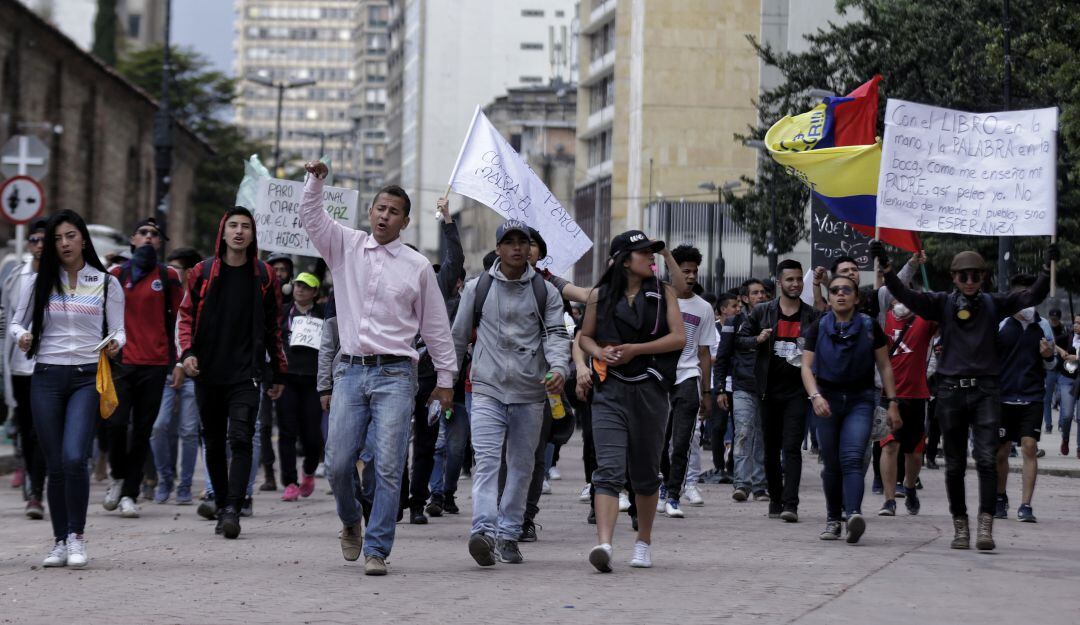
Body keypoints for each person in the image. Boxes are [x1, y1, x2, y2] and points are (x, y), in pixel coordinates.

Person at [300, 161, 456, 576]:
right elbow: (311, 217)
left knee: (388, 466)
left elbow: (436, 327)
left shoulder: (417, 266)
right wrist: (316, 180)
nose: (385, 216)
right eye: (380, 209)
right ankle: (351, 518)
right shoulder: (344, 246)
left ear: (405, 222)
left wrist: (445, 379)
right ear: (370, 212)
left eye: (394, 212)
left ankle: (377, 548)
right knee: (338, 462)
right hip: (350, 371)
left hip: (396, 376)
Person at [874, 240, 1057, 550]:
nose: (969, 281)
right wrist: (887, 267)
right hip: (950, 391)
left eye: (975, 275)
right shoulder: (942, 303)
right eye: (963, 276)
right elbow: (905, 295)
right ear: (954, 277)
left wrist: (1045, 268)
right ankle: (960, 525)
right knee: (955, 464)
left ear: (983, 277)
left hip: (986, 390)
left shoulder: (994, 303)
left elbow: (1031, 296)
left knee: (985, 459)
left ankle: (985, 523)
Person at [11, 210, 125, 568]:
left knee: (75, 457)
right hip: (46, 376)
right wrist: (23, 336)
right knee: (55, 463)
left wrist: (116, 343)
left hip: (86, 378)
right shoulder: (38, 283)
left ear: (83, 240)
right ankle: (60, 541)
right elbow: (15, 323)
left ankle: (77, 537)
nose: (64, 243)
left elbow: (119, 329)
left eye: (70, 236)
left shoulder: (106, 282)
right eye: (57, 238)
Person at [452, 220, 569, 566]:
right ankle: (483, 532)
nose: (517, 248)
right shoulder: (478, 288)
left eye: (523, 242)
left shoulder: (546, 292)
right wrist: (446, 383)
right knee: (487, 463)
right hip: (486, 388)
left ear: (531, 248)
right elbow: (458, 337)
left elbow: (556, 335)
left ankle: (508, 535)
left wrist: (559, 368)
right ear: (499, 248)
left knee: (521, 466)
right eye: (510, 242)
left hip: (531, 392)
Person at [578, 230, 685, 572]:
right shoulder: (599, 296)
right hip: (609, 391)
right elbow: (584, 337)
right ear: (625, 260)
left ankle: (643, 543)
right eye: (643, 253)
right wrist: (599, 353)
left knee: (645, 473)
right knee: (608, 470)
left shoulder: (663, 293)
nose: (650, 257)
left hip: (650, 391)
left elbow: (679, 338)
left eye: (652, 253)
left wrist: (636, 350)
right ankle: (604, 545)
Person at [177, 207, 287, 539]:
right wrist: (187, 354)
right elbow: (185, 317)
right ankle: (223, 502)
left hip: (246, 373)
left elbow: (274, 328)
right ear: (223, 232)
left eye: (246, 227)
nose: (239, 232)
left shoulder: (265, 276)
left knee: (240, 439)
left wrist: (278, 371)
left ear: (253, 235)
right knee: (212, 442)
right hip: (208, 372)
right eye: (233, 226)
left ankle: (232, 510)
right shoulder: (202, 272)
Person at [801, 275, 900, 543]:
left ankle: (853, 515)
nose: (840, 294)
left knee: (853, 457)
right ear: (829, 297)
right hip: (827, 400)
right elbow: (806, 367)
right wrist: (815, 396)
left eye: (847, 290)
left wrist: (893, 402)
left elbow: (885, 366)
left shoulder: (869, 325)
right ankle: (833, 519)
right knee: (831, 463)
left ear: (856, 297)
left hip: (860, 400)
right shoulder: (819, 326)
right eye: (835, 290)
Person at [101, 217, 183, 517]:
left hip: (155, 364)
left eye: (154, 234)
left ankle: (129, 493)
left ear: (160, 243)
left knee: (142, 430)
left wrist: (178, 360)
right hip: (121, 362)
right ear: (133, 240)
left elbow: (180, 320)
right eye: (143, 232)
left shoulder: (168, 275)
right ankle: (117, 476)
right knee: (116, 424)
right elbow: (100, 315)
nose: (149, 237)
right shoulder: (116, 274)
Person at [737, 260, 820, 522]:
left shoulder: (811, 315)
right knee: (771, 449)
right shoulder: (762, 311)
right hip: (768, 391)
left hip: (798, 392)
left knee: (792, 447)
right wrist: (757, 339)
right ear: (779, 282)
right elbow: (739, 340)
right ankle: (775, 498)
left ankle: (790, 504)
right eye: (789, 280)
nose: (795, 284)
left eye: (798, 279)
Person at [404, 197, 463, 524]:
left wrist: (448, 222)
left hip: (429, 381)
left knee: (426, 445)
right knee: (394, 444)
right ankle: (396, 498)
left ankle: (417, 503)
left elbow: (455, 260)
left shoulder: (435, 289)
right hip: (396, 375)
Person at [658, 245, 717, 518]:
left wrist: (707, 391)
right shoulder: (659, 300)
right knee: (659, 442)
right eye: (685, 271)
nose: (691, 276)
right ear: (673, 271)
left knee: (682, 442)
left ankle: (673, 495)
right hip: (660, 378)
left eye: (694, 271)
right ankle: (661, 486)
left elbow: (704, 352)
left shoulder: (704, 308)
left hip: (688, 376)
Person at [995, 275, 1056, 523]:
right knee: (1001, 451)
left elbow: (1051, 364)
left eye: (1030, 297)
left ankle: (1026, 505)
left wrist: (1048, 356)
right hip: (1003, 396)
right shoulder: (1001, 324)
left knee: (1029, 446)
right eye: (1021, 297)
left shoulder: (1043, 326)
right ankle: (1000, 497)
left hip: (1032, 396)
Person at [149, 247, 203, 505]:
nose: (169, 273)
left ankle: (185, 486)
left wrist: (184, 363)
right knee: (158, 426)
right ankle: (165, 479)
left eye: (176, 269)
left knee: (189, 431)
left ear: (190, 271)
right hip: (165, 371)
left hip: (193, 372)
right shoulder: (162, 297)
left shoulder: (201, 297)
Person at [2, 220, 47, 519]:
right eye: (34, 240)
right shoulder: (15, 278)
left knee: (41, 431)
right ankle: (33, 482)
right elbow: (5, 319)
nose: (39, 245)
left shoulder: (61, 276)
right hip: (18, 368)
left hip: (49, 365)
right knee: (26, 429)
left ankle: (37, 490)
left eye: (44, 240)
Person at [877, 295, 936, 517]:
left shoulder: (925, 320)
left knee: (914, 453)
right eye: (895, 298)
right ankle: (889, 499)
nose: (900, 303)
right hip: (888, 394)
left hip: (917, 396)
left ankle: (910, 487)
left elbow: (943, 315)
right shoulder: (882, 320)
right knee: (889, 446)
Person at [714, 279, 770, 502]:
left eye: (763, 292)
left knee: (762, 436)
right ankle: (742, 484)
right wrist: (719, 388)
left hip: (767, 388)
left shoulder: (773, 318)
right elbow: (723, 356)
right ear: (745, 298)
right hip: (742, 387)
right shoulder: (734, 321)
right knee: (743, 432)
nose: (761, 296)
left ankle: (760, 486)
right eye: (755, 293)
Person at [278, 272, 327, 502]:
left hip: (313, 380)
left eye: (306, 287)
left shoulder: (323, 314)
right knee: (287, 431)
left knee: (312, 434)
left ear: (315, 292)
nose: (300, 290)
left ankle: (309, 470)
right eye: (298, 285)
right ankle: (289, 482)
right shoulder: (283, 312)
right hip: (287, 379)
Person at [1053, 314, 1080, 456]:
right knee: (1067, 415)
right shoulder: (1068, 337)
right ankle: (1065, 438)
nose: (1076, 325)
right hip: (1067, 378)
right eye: (1075, 322)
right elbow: (1050, 341)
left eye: (1079, 323)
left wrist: (1077, 357)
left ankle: (1079, 447)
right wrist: (1061, 351)